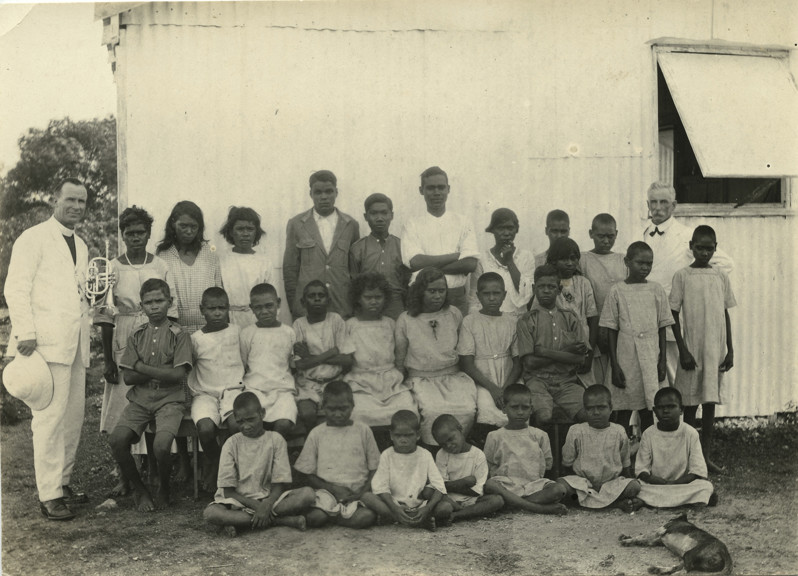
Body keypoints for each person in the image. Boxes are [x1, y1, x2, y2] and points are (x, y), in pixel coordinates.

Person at [5, 177, 92, 520]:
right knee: (49, 419)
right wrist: (25, 331)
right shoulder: (34, 238)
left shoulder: (82, 245)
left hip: (75, 345)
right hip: (43, 344)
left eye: (81, 202)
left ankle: (64, 482)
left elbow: (79, 293)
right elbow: (16, 287)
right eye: (70, 199)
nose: (75, 207)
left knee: (72, 418)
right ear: (55, 201)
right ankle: (49, 494)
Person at [95, 205, 178, 498]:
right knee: (123, 409)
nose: (135, 238)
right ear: (122, 235)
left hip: (156, 335)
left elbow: (171, 307)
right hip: (125, 334)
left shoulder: (159, 266)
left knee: (153, 399)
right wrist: (108, 359)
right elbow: (105, 315)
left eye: (140, 232)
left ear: (148, 234)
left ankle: (155, 471)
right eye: (129, 233)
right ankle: (126, 475)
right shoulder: (113, 267)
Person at [108, 279, 193, 512]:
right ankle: (140, 489)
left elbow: (177, 376)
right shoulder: (136, 334)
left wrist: (142, 367)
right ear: (141, 305)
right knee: (117, 440)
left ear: (170, 302)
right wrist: (157, 372)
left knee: (162, 446)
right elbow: (129, 378)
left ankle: (164, 488)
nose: (154, 306)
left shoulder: (180, 334)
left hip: (170, 399)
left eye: (159, 301)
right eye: (148, 302)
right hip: (140, 399)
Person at [642, 182, 733, 386]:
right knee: (650, 375)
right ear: (647, 204)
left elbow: (726, 264)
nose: (657, 207)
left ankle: (686, 419)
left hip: (675, 316)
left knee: (679, 377)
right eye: (653, 202)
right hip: (645, 316)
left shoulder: (686, 236)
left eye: (663, 202)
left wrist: (694, 286)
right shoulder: (642, 232)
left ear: (673, 206)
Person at [156, 200, 222, 481]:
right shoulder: (163, 255)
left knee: (204, 393)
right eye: (183, 225)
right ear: (173, 225)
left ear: (200, 228)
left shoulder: (210, 253)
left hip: (206, 331)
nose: (188, 231)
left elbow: (217, 289)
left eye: (193, 226)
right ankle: (183, 460)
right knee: (180, 396)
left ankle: (208, 460)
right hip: (177, 331)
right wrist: (173, 332)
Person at [670, 225, 736, 474]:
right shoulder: (682, 276)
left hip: (715, 349)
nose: (705, 252)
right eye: (700, 247)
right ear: (691, 247)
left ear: (716, 248)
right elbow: (672, 314)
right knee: (689, 404)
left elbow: (725, 313)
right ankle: (689, 460)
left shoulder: (720, 276)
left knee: (710, 402)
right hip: (693, 349)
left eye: (710, 248)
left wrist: (730, 350)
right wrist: (683, 350)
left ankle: (705, 458)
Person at [203, 392, 314, 535]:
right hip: (238, 502)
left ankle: (241, 522)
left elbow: (279, 484)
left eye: (251, 419)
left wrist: (266, 504)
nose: (246, 426)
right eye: (240, 422)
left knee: (308, 495)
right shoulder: (231, 444)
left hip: (270, 500)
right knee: (211, 513)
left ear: (262, 413)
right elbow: (228, 491)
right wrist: (258, 507)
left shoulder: (276, 440)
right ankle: (281, 521)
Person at [395, 268, 478, 445]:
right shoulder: (406, 319)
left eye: (441, 291)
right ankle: (432, 452)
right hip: (422, 379)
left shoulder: (453, 313)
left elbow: (462, 348)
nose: (438, 296)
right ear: (420, 291)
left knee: (467, 409)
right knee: (432, 410)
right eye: (432, 291)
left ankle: (458, 450)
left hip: (452, 378)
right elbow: (400, 357)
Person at [600, 242, 673, 434]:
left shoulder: (656, 290)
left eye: (649, 264)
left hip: (651, 356)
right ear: (627, 262)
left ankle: (648, 455)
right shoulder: (617, 291)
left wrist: (663, 360)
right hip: (626, 356)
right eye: (640, 263)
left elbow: (663, 326)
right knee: (623, 407)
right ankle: (622, 456)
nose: (645, 268)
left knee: (649, 407)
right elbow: (611, 329)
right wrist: (615, 365)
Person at [340, 272, 416, 449]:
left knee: (406, 409)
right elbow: (347, 358)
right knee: (359, 412)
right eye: (368, 297)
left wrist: (399, 373)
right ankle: (366, 449)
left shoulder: (390, 323)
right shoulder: (350, 325)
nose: (373, 302)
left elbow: (399, 353)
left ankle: (396, 449)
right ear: (358, 299)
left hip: (390, 380)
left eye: (378, 297)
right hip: (361, 380)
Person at [293, 381, 380, 529]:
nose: (338, 414)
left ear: (352, 405)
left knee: (366, 516)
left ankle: (333, 518)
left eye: (343, 408)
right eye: (332, 409)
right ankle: (336, 516)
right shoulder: (317, 433)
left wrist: (362, 492)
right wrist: (332, 489)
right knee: (314, 518)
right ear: (323, 406)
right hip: (328, 493)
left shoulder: (363, 430)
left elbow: (375, 468)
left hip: (356, 493)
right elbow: (308, 473)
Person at [401, 166, 480, 316]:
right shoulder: (411, 224)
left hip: (455, 296)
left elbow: (470, 263)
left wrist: (426, 272)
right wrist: (455, 256)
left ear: (448, 189)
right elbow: (415, 262)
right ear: (421, 190)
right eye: (430, 188)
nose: (436, 193)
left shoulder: (464, 222)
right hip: (422, 296)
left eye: (441, 187)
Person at [188, 287, 245, 492]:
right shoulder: (195, 339)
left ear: (228, 308)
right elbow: (190, 368)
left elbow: (245, 361)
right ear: (202, 309)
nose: (217, 313)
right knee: (205, 428)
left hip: (233, 391)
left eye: (222, 308)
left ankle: (230, 471)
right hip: (205, 394)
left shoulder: (237, 331)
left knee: (236, 425)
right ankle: (215, 463)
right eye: (212, 308)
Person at [517, 265, 589, 426]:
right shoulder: (527, 320)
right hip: (537, 381)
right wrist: (566, 353)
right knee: (544, 416)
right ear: (535, 288)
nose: (546, 291)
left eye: (551, 287)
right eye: (542, 286)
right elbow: (530, 362)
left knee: (587, 414)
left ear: (559, 289)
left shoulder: (570, 318)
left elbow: (580, 359)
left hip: (566, 382)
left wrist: (545, 352)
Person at [283, 170, 360, 319]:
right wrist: (295, 306)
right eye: (318, 192)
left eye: (329, 191)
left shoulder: (350, 224)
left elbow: (355, 270)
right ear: (310, 194)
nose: (324, 197)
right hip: (308, 306)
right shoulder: (297, 224)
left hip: (342, 305)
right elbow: (290, 269)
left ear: (336, 192)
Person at [483, 384, 568, 515]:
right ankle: (538, 508)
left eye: (525, 408)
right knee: (490, 485)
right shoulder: (494, 436)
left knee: (559, 489)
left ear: (532, 409)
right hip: (506, 485)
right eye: (514, 407)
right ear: (504, 409)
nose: (520, 412)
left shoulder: (540, 435)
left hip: (533, 486)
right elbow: (488, 466)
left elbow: (547, 464)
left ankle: (515, 505)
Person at [361, 410, 451, 530]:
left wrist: (427, 508)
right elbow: (380, 487)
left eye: (408, 435)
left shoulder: (425, 454)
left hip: (419, 505)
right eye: (398, 435)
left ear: (418, 435)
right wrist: (395, 508)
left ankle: (401, 519)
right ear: (391, 435)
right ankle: (415, 521)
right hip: (393, 504)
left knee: (445, 507)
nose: (403, 440)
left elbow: (439, 486)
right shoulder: (387, 455)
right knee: (367, 497)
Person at [555, 385, 641, 510]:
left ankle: (590, 504)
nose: (596, 412)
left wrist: (627, 480)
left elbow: (625, 463)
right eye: (590, 408)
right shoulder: (576, 431)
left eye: (601, 407)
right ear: (584, 410)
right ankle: (611, 504)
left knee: (634, 486)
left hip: (610, 485)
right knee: (561, 486)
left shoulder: (619, 431)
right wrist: (574, 482)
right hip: (583, 485)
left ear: (611, 408)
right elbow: (567, 463)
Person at [458, 273, 522, 438]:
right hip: (483, 380)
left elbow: (517, 361)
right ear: (479, 296)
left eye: (497, 294)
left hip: (508, 377)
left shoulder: (512, 321)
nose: (492, 298)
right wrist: (493, 388)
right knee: (486, 408)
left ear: (504, 295)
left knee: (517, 406)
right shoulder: (470, 321)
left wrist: (507, 387)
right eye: (486, 294)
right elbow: (467, 363)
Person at [631, 387, 715, 509]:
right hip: (655, 485)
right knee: (637, 486)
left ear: (681, 409)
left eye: (671, 407)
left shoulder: (690, 433)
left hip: (682, 484)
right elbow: (642, 471)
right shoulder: (648, 434)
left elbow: (697, 471)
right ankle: (684, 501)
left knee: (705, 486)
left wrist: (674, 484)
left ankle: (649, 502)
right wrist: (661, 482)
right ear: (654, 411)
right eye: (660, 407)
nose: (665, 411)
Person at [238, 283, 298, 438]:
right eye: (258, 307)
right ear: (251, 308)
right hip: (255, 390)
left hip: (282, 391)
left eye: (269, 306)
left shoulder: (288, 332)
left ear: (278, 303)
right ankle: (258, 458)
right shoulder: (247, 333)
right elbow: (243, 365)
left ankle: (274, 456)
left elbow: (292, 364)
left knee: (283, 423)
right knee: (252, 423)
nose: (264, 311)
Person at [292, 280, 352, 431]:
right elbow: (300, 364)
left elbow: (346, 359)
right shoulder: (299, 324)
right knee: (307, 413)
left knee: (339, 414)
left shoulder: (336, 320)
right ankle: (311, 446)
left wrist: (310, 356)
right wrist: (332, 352)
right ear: (303, 301)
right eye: (312, 296)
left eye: (321, 295)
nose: (317, 299)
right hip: (308, 383)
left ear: (329, 300)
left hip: (334, 381)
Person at [579, 213, 627, 387]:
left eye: (610, 236)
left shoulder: (623, 260)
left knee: (619, 375)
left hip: (620, 328)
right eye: (601, 236)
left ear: (616, 234)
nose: (606, 241)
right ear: (591, 233)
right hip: (594, 327)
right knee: (598, 378)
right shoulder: (583, 259)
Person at [431, 414, 504, 522]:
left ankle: (457, 515)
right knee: (443, 508)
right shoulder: (441, 454)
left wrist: (451, 485)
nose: (449, 446)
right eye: (443, 444)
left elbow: (478, 490)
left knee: (497, 500)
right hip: (449, 500)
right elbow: (440, 486)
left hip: (473, 499)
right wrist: (465, 482)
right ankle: (465, 512)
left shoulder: (478, 455)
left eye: (451, 439)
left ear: (460, 429)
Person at [348, 193, 410, 320]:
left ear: (391, 215)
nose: (380, 218)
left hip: (396, 306)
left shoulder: (403, 246)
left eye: (384, 213)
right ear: (366, 217)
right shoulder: (357, 248)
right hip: (367, 306)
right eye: (374, 213)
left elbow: (407, 281)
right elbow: (353, 283)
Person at [547, 237, 597, 385]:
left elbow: (593, 317)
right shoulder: (548, 283)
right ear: (554, 260)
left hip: (583, 343)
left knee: (586, 387)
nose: (569, 263)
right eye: (563, 259)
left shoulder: (583, 283)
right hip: (558, 346)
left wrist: (590, 353)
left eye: (573, 258)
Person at [469, 208, 534, 318]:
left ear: (516, 229)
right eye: (500, 228)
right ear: (492, 230)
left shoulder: (526, 257)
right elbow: (474, 298)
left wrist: (509, 261)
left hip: (517, 320)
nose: (506, 233)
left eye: (510, 228)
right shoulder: (482, 259)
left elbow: (526, 293)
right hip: (489, 319)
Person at [218, 206, 274, 327]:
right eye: (240, 229)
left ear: (256, 232)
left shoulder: (264, 262)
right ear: (231, 232)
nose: (245, 234)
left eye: (250, 229)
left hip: (257, 319)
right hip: (229, 319)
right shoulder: (221, 260)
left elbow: (270, 296)